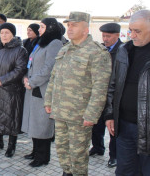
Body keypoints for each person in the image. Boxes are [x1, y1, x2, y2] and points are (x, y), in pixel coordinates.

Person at [44, 11, 112, 176]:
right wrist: (48, 101)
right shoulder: (65, 49)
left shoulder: (96, 53)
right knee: (62, 151)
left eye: (74, 25)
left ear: (85, 28)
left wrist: (92, 114)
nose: (70, 28)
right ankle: (66, 173)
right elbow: (54, 77)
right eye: (68, 25)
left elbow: (100, 87)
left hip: (80, 116)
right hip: (60, 112)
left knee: (78, 156)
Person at [105, 10, 150, 176]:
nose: (132, 35)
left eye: (138, 31)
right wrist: (110, 115)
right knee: (124, 171)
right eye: (131, 30)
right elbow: (113, 85)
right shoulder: (125, 51)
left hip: (148, 129)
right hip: (124, 126)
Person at [22, 18, 63, 167]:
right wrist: (26, 78)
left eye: (42, 27)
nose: (39, 29)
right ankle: (35, 151)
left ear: (50, 28)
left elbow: (49, 68)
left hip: (42, 89)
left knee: (42, 124)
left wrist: (32, 82)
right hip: (32, 88)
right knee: (34, 122)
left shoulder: (55, 44)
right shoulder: (41, 42)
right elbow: (31, 63)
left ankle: (43, 157)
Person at [0, 23, 27, 157]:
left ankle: (11, 146)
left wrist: (1, 81)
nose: (4, 35)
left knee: (12, 118)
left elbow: (19, 70)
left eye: (7, 33)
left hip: (11, 91)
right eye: (2, 33)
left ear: (13, 34)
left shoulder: (20, 50)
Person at [89, 23, 121, 168]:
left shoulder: (122, 51)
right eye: (103, 36)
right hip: (98, 93)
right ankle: (97, 147)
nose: (105, 38)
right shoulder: (101, 50)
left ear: (117, 35)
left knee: (112, 126)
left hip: (113, 95)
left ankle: (114, 156)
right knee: (96, 123)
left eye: (108, 36)